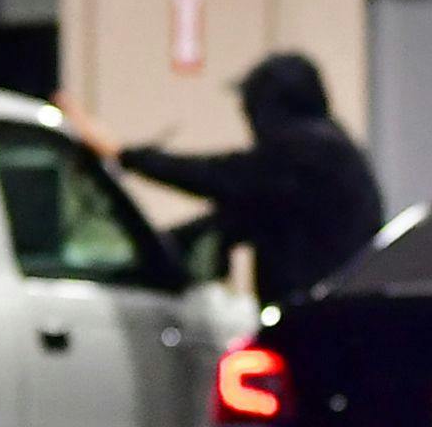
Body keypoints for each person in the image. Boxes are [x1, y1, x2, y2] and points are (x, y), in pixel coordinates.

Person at [118, 52, 383, 295]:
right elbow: (241, 213)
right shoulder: (327, 149)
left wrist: (131, 157)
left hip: (319, 312)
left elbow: (219, 177)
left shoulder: (308, 150)